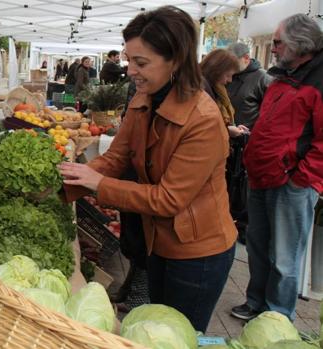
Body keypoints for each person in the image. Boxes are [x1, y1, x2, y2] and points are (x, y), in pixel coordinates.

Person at [58, 5, 236, 332]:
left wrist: (98, 183)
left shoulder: (204, 120)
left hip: (199, 252)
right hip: (159, 242)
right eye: (128, 60)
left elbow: (169, 199)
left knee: (179, 334)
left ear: (176, 60)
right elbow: (117, 158)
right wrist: (63, 187)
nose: (131, 71)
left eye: (141, 63)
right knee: (155, 326)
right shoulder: (144, 98)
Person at [231, 14, 323, 322]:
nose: (272, 48)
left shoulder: (318, 81)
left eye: (278, 42)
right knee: (257, 248)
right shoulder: (283, 75)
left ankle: (278, 316)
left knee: (285, 257)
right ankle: (256, 302)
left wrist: (301, 180)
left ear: (301, 44)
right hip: (262, 176)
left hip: (291, 184)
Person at [226, 42, 273, 244]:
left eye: (233, 63)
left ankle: (244, 225)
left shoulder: (262, 78)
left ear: (245, 58)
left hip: (249, 141)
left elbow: (270, 111)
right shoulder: (228, 77)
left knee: (245, 186)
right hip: (228, 139)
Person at [200, 49, 244, 137]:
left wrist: (231, 127)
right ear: (216, 70)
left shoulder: (215, 88)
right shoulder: (201, 89)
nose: (230, 80)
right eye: (228, 75)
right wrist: (227, 130)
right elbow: (202, 125)